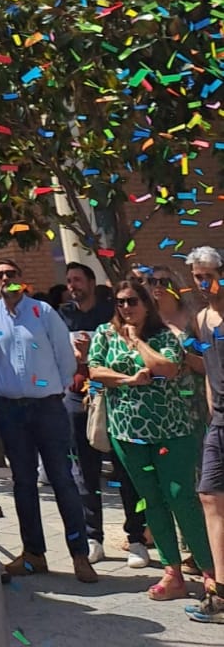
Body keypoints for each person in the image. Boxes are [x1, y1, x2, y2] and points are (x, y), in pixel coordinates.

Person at [88, 275, 211, 602]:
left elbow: (167, 368)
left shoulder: (164, 334)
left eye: (133, 301)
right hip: (127, 432)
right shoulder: (105, 333)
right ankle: (172, 572)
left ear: (146, 304)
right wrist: (129, 379)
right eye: (120, 302)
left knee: (180, 497)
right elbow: (95, 370)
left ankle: (210, 570)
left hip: (173, 430)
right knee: (151, 500)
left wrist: (137, 342)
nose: (126, 307)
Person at [0, 258, 97, 583]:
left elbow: (64, 356)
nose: (5, 279)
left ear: (21, 277)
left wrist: (55, 389)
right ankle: (33, 554)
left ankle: (80, 555)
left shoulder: (42, 311)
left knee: (62, 480)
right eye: (0, 275)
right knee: (23, 482)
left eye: (11, 274)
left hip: (47, 408)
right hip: (10, 410)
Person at [58, 261, 149, 569]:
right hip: (77, 399)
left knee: (126, 471)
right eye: (69, 281)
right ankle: (92, 537)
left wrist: (89, 358)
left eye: (78, 280)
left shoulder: (111, 313)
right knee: (85, 472)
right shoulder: (62, 315)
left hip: (114, 399)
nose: (73, 286)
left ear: (90, 282)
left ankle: (136, 538)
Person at [184, 246, 224, 623]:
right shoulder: (201, 317)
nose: (202, 282)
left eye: (208, 275)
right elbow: (209, 367)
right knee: (209, 496)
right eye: (197, 276)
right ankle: (220, 593)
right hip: (219, 422)